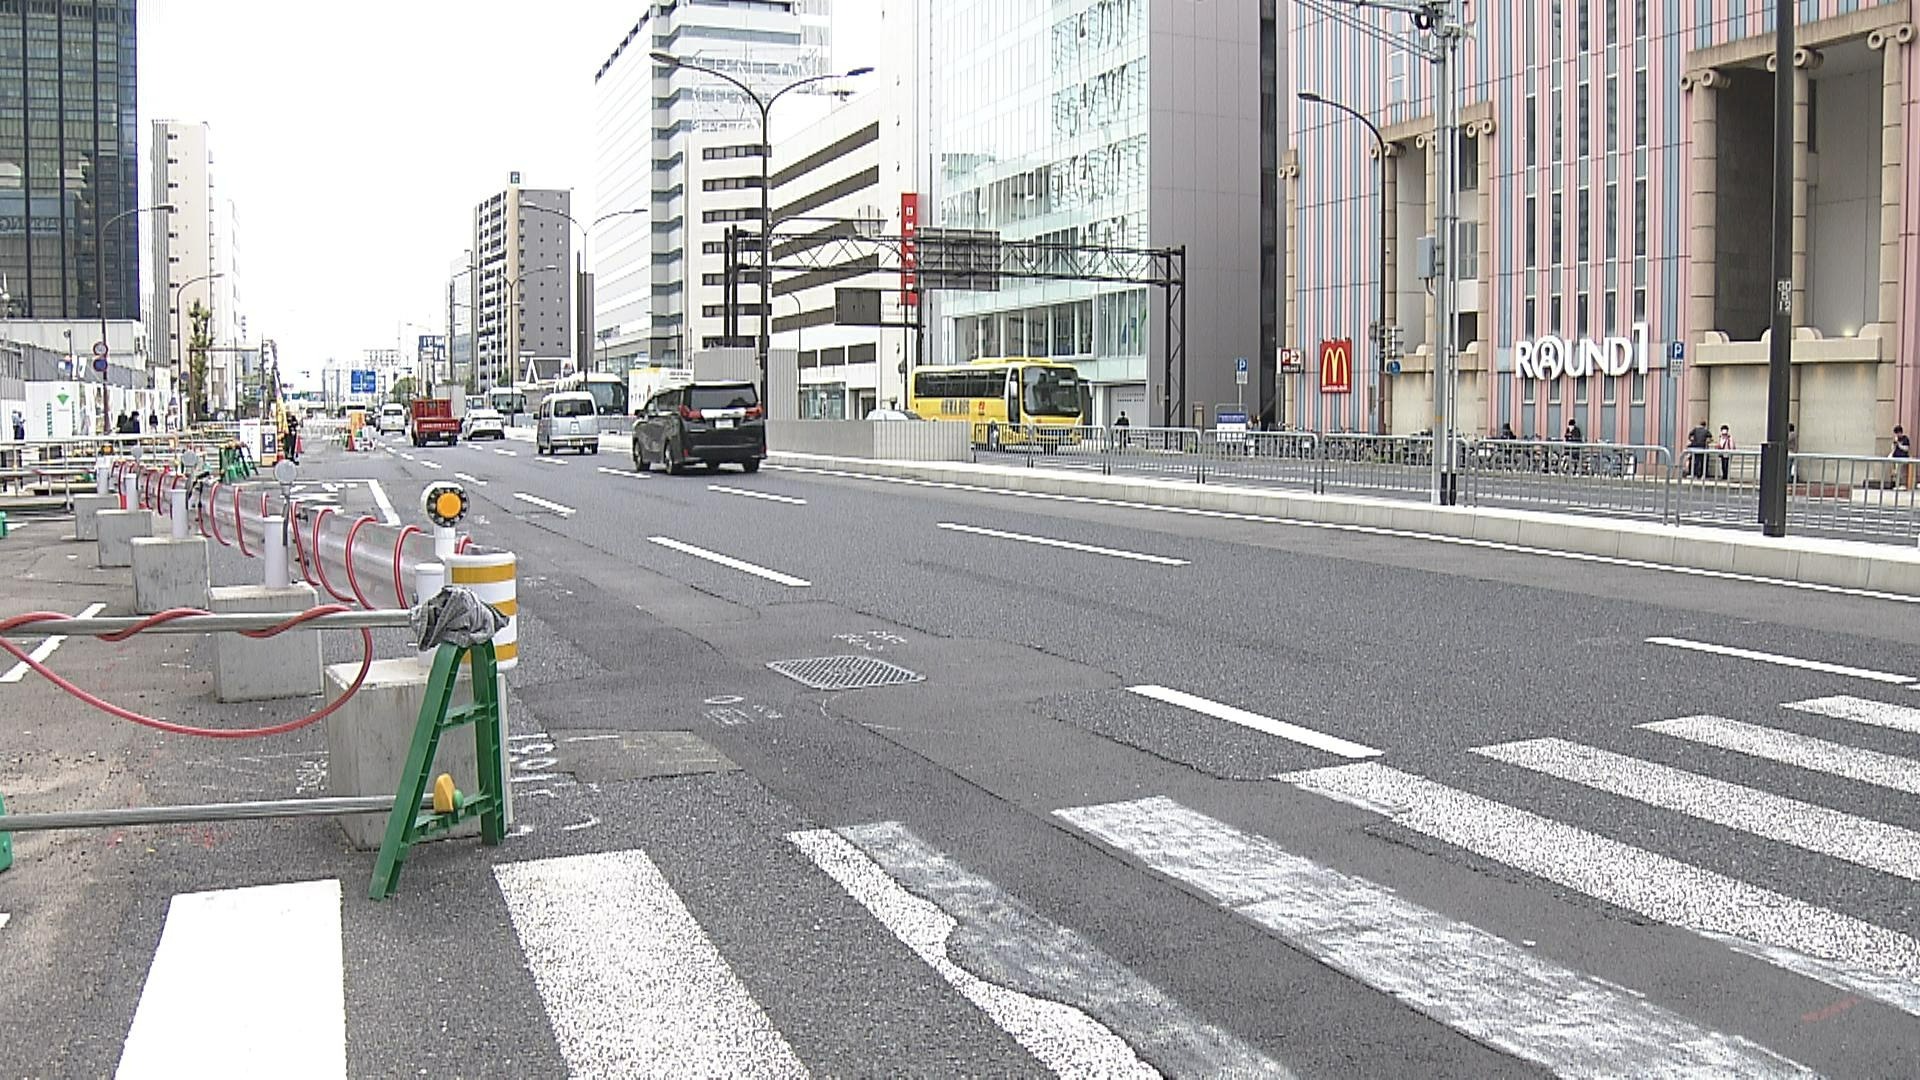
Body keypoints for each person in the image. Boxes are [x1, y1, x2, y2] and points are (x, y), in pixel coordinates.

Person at [1894, 424, 1913, 490]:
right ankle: (1897, 485)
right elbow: (1893, 449)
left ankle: (1903, 484)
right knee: (1896, 472)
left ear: (1900, 432)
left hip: (1903, 457)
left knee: (1901, 471)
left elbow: (1906, 448)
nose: (1897, 435)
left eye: (1897, 433)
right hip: (1896, 458)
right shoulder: (1896, 440)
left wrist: (1899, 445)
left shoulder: (1905, 439)